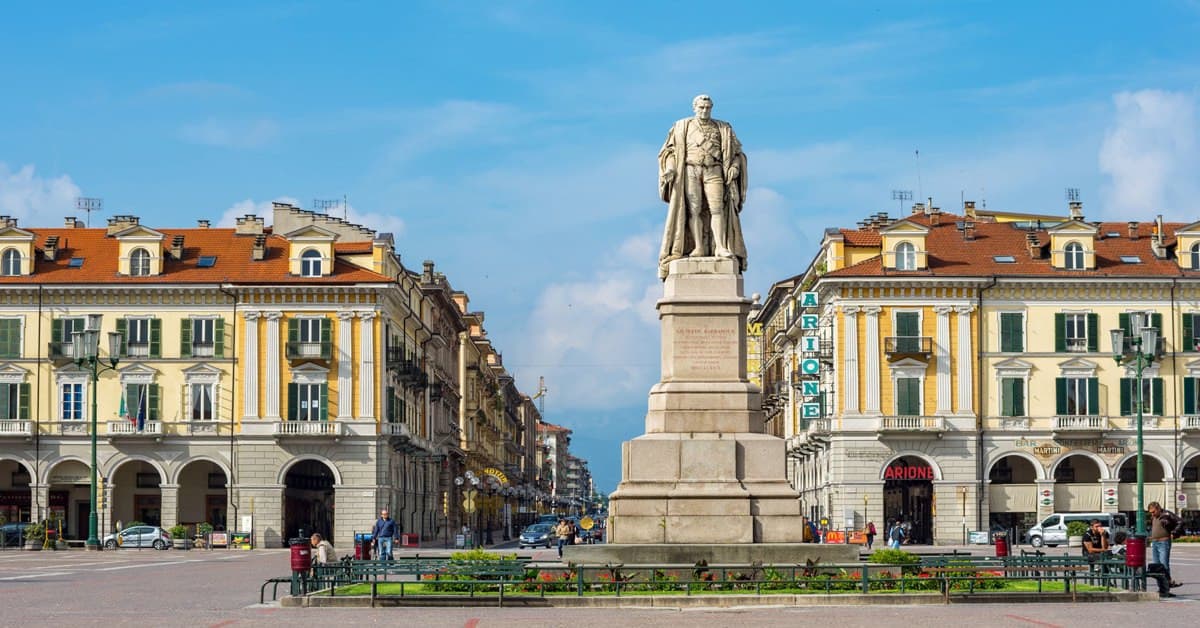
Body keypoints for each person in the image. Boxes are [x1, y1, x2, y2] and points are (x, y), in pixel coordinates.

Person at [657, 94, 749, 279]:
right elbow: (669, 152)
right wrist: (670, 169)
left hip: (714, 170)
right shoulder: (682, 126)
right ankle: (698, 246)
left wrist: (735, 167)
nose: (704, 111)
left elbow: (737, 153)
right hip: (691, 169)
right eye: (701, 108)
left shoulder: (723, 128)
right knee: (694, 210)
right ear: (694, 108)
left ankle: (721, 247)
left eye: (707, 108)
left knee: (717, 209)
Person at [1148, 501, 1182, 588]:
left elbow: (1180, 522)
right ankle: (1162, 587)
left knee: (1164, 564)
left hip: (1163, 542)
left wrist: (1174, 533)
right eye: (1150, 512)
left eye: (1153, 512)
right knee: (1157, 566)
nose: (1152, 514)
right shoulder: (1153, 517)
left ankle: (1167, 586)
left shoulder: (1166, 514)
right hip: (1155, 543)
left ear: (1158, 509)